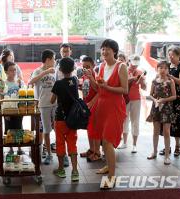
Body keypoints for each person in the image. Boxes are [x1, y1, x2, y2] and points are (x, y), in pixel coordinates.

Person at [87, 39, 128, 189]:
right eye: (103, 49)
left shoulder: (121, 66)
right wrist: (91, 78)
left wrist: (107, 86)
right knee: (103, 140)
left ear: (114, 51)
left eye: (107, 49)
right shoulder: (102, 66)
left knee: (108, 141)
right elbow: (99, 89)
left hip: (115, 107)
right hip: (102, 106)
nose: (104, 51)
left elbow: (125, 90)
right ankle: (108, 166)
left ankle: (111, 176)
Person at [51, 57, 79, 182]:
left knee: (60, 143)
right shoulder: (75, 80)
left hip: (61, 118)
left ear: (60, 69)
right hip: (73, 119)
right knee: (72, 144)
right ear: (73, 69)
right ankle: (75, 171)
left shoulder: (58, 84)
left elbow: (52, 100)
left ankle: (61, 170)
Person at [159, 46, 180, 157]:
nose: (171, 57)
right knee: (166, 124)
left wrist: (170, 76)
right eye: (169, 55)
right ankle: (167, 147)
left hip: (178, 98)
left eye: (173, 55)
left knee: (177, 122)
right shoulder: (167, 66)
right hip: (167, 98)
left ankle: (177, 146)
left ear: (179, 55)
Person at [29, 49, 57, 165]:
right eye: (53, 59)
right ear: (48, 60)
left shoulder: (54, 71)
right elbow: (31, 81)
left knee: (58, 129)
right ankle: (49, 155)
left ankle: (62, 154)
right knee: (46, 130)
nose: (55, 61)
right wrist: (45, 72)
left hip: (55, 104)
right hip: (43, 105)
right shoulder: (37, 70)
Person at [146, 61, 176, 165]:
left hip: (167, 108)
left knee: (166, 132)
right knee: (155, 131)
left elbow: (174, 96)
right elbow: (150, 95)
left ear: (168, 70)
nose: (162, 70)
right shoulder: (154, 81)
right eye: (160, 68)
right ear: (157, 69)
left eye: (165, 68)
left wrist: (164, 100)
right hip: (156, 107)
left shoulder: (170, 81)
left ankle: (167, 156)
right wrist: (155, 100)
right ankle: (154, 152)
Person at [118, 55, 146, 153]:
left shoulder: (140, 72)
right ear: (129, 61)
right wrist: (132, 79)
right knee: (124, 120)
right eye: (133, 64)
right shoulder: (124, 70)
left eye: (136, 65)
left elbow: (144, 87)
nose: (134, 66)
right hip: (125, 99)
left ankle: (134, 145)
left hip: (136, 99)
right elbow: (120, 83)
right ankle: (124, 143)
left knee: (135, 121)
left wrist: (142, 81)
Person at [3, 61, 25, 154]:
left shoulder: (20, 82)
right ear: (6, 72)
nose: (14, 72)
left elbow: (24, 95)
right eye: (11, 70)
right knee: (9, 129)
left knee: (19, 127)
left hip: (18, 110)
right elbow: (0, 97)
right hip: (8, 110)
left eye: (15, 70)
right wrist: (4, 112)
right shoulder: (3, 83)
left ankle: (19, 148)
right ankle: (11, 148)